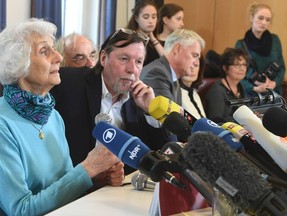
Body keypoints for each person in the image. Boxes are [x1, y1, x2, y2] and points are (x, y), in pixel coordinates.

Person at [0, 18, 124, 216]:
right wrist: (88, 168)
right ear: (17, 64)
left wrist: (97, 177)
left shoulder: (52, 115)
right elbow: (21, 210)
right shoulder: (2, 125)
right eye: (44, 51)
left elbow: (64, 184)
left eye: (54, 49)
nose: (58, 56)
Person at [50, 28, 176, 174]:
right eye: (124, 59)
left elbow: (168, 153)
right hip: (76, 186)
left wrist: (151, 111)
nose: (132, 69)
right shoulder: (69, 83)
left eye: (139, 62)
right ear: (103, 58)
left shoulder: (141, 100)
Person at [140, 29, 205, 107]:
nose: (197, 63)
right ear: (177, 49)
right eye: (194, 56)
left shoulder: (172, 77)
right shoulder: (157, 74)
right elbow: (169, 117)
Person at [235, 2, 285, 96]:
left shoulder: (275, 40)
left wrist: (274, 83)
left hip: (273, 93)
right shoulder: (241, 44)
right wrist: (253, 88)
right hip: (252, 94)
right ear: (251, 18)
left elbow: (281, 68)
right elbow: (237, 73)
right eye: (260, 18)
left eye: (268, 20)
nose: (264, 22)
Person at [205, 48, 249, 123]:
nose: (242, 69)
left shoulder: (240, 86)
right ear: (225, 68)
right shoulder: (217, 91)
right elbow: (216, 121)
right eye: (237, 65)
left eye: (244, 65)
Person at [126, 0, 164, 66]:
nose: (151, 21)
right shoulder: (129, 39)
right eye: (146, 17)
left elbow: (167, 62)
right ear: (136, 18)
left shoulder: (152, 41)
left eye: (154, 17)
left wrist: (153, 39)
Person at [179, 55, 206, 120]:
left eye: (196, 65)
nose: (192, 68)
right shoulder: (176, 93)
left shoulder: (195, 94)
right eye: (188, 64)